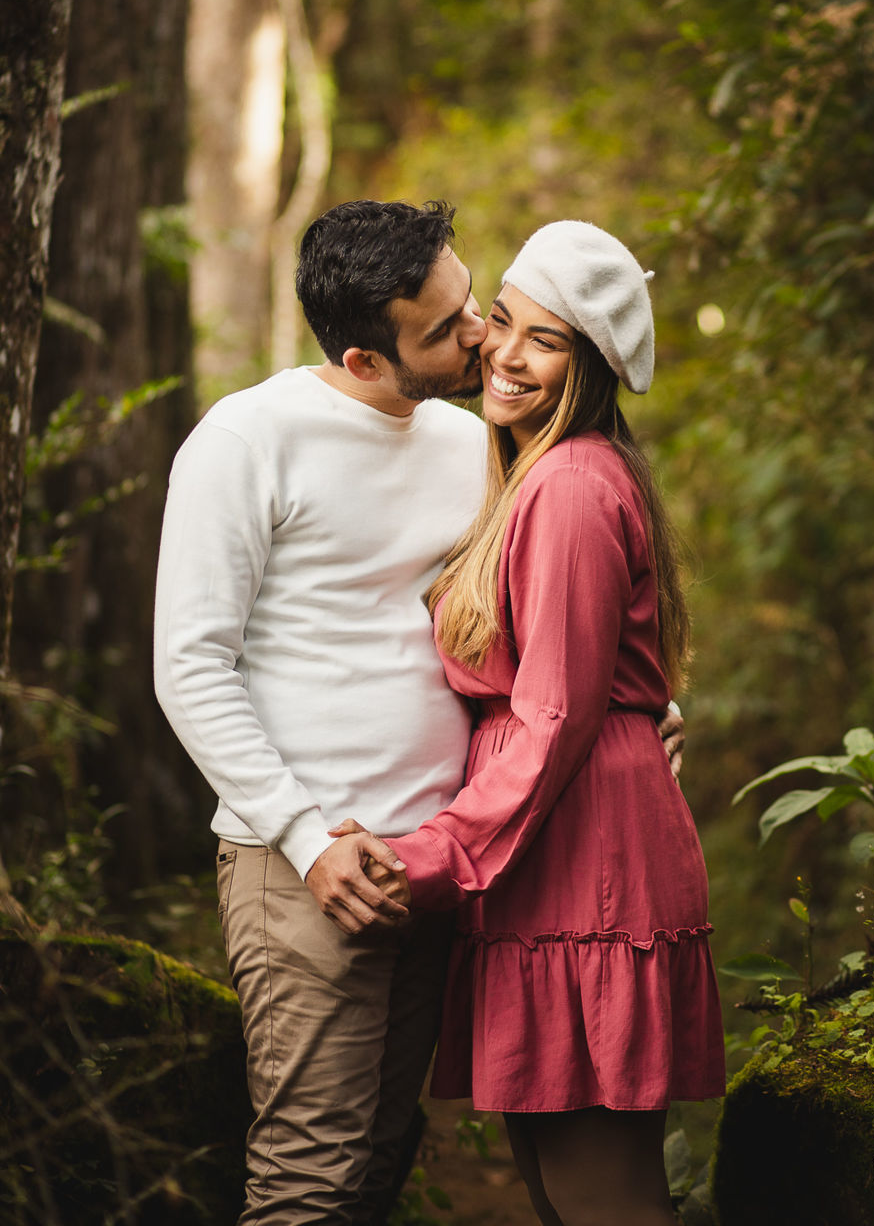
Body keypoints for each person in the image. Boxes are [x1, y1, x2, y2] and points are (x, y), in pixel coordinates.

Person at [154, 200, 685, 1225]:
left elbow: (559, 614)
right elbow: (189, 666)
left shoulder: (480, 442)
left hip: (457, 869)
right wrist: (309, 842)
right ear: (362, 357)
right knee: (311, 1171)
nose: (481, 335)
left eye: (474, 301)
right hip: (315, 867)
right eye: (445, 330)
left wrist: (637, 709)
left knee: (385, 1155)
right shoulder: (247, 441)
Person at [336, 221, 725, 1226]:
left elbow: (553, 718)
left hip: (579, 861)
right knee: (564, 1191)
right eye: (502, 320)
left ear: (588, 367)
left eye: (545, 340)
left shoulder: (566, 487)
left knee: (605, 1200)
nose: (506, 352)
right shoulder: (540, 478)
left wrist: (427, 857)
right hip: (550, 860)